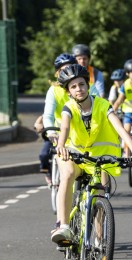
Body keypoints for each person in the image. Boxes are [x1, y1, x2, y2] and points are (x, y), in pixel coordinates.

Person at [51, 64, 132, 244]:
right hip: (73, 155)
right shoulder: (68, 108)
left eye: (82, 84)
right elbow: (65, 128)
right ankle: (63, 226)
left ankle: (100, 242)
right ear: (68, 92)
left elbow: (119, 127)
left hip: (98, 158)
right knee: (68, 174)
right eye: (74, 86)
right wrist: (61, 145)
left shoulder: (102, 104)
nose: (79, 89)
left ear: (88, 85)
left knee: (100, 195)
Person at [40, 53, 78, 185]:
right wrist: (51, 132)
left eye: (70, 68)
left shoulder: (84, 86)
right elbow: (48, 115)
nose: (67, 73)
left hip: (83, 135)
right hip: (61, 135)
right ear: (57, 73)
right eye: (63, 70)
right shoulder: (53, 90)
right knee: (67, 173)